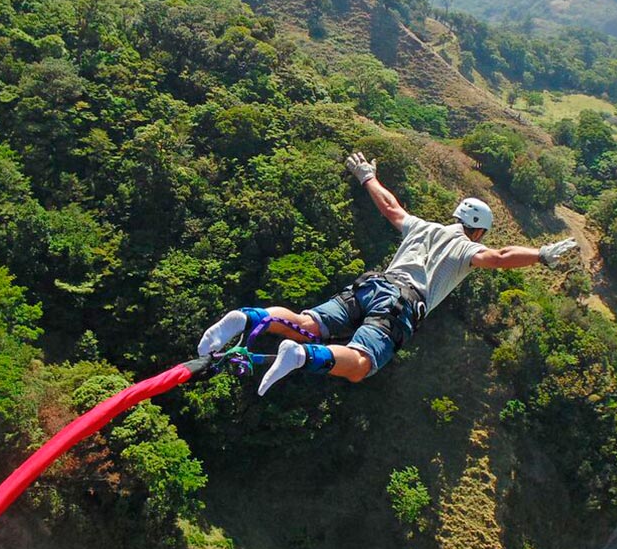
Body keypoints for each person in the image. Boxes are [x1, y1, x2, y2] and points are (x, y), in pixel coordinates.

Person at [198, 152, 579, 395]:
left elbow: (391, 207)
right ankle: (300, 356)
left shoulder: (422, 226)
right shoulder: (468, 248)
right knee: (360, 364)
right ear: (478, 230)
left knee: (307, 322)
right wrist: (541, 255)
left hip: (371, 284)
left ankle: (246, 318)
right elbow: (498, 256)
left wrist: (367, 177)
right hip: (400, 304)